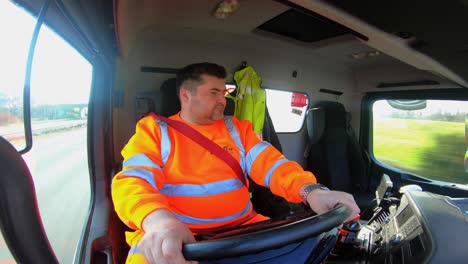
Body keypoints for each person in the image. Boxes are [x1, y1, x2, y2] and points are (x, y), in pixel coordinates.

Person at [112, 62, 360, 264]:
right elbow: (133, 181)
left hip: (245, 231)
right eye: (213, 93)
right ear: (185, 95)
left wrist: (310, 191)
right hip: (180, 240)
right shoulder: (155, 131)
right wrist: (160, 222)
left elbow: (273, 165)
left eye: (223, 92)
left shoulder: (237, 129)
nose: (223, 100)